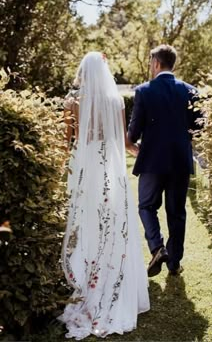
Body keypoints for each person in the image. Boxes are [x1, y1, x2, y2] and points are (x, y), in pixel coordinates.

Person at [58, 52, 150, 340]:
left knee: (88, 223)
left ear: (84, 72)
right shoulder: (116, 102)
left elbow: (67, 141)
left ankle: (88, 280)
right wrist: (139, 153)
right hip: (110, 173)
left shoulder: (74, 102)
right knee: (113, 226)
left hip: (85, 170)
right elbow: (123, 141)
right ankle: (116, 283)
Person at [128, 44, 202, 277]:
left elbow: (133, 131)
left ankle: (157, 248)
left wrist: (132, 144)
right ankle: (174, 264)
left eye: (151, 63)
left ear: (157, 63)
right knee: (176, 212)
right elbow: (199, 127)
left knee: (146, 206)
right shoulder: (191, 91)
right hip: (180, 160)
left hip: (151, 160)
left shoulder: (144, 91)